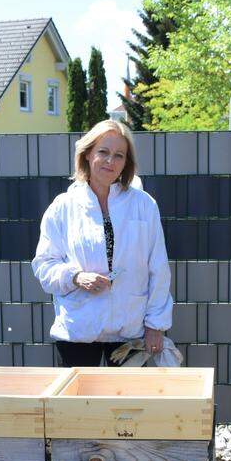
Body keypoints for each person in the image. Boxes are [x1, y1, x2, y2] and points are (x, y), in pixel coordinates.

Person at [32, 119, 172, 367]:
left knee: (127, 405)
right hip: (78, 331)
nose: (111, 161)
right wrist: (75, 277)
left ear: (126, 162)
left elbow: (158, 268)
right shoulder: (63, 207)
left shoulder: (143, 205)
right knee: (78, 404)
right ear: (87, 154)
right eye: (103, 152)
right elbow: (44, 266)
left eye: (119, 155)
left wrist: (155, 325)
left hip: (131, 329)